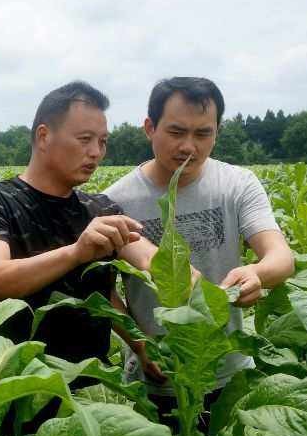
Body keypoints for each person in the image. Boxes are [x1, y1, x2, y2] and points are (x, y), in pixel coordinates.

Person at [102, 76, 294, 389]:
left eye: (203, 133)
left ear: (217, 133)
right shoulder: (115, 200)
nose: (188, 146)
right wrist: (139, 344)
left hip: (229, 371)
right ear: (150, 127)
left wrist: (258, 274)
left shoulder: (237, 185)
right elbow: (101, 291)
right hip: (158, 374)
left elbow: (281, 257)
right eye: (176, 132)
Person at [0, 81, 155, 365]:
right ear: (44, 136)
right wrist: (76, 252)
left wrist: (140, 346)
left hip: (93, 383)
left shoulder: (101, 209)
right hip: (18, 383)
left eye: (103, 141)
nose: (96, 152)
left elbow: (106, 295)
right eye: (85, 139)